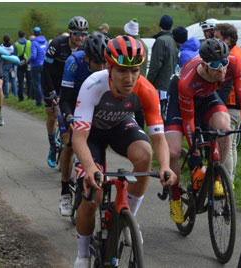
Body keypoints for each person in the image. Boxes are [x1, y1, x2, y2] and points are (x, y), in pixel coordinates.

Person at [72, 35, 177, 267]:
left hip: (119, 125)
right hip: (92, 135)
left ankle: (128, 217)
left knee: (145, 155)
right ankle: (82, 254)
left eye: (134, 70)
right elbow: (78, 137)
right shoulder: (92, 85)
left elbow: (159, 138)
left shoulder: (146, 90)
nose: (129, 78)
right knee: (93, 197)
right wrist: (90, 168)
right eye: (121, 70)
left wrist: (166, 166)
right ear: (109, 68)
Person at [164, 39, 241, 224]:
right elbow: (189, 120)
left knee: (224, 127)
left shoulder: (234, 64)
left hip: (206, 97)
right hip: (181, 100)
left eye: (224, 63)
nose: (222, 68)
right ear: (205, 66)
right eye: (215, 65)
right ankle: (174, 198)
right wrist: (195, 156)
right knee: (173, 151)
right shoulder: (188, 81)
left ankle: (217, 176)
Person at [58, 32, 109, 217]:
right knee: (70, 143)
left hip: (93, 108)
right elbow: (65, 99)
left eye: (105, 62)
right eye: (97, 63)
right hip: (72, 105)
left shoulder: (108, 66)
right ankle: (65, 190)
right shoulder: (74, 62)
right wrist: (70, 118)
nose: (102, 68)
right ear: (87, 58)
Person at [42, 16, 88, 168]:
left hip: (70, 85)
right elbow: (46, 70)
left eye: (83, 34)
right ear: (70, 33)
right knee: (53, 114)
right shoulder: (57, 44)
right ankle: (52, 146)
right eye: (76, 34)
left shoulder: (84, 48)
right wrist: (52, 91)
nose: (80, 38)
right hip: (53, 81)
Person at [213, 23, 241, 185]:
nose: (214, 41)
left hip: (228, 105)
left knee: (225, 148)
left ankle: (224, 183)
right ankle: (230, 182)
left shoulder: (231, 57)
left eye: (217, 38)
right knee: (232, 146)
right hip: (237, 106)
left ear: (227, 40)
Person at [147, 14, 178, 118]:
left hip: (160, 86)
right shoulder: (172, 41)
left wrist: (148, 83)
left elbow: (155, 66)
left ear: (160, 26)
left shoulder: (161, 41)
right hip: (168, 84)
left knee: (158, 117)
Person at [124, 17, 148, 129]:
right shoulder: (144, 44)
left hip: (129, 80)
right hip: (141, 79)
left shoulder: (128, 45)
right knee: (139, 109)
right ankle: (140, 130)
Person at [28, 26, 48, 106]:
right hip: (44, 64)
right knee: (43, 84)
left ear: (34, 34)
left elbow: (33, 56)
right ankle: (45, 101)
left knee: (37, 84)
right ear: (40, 32)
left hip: (36, 65)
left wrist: (28, 61)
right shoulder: (45, 42)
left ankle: (39, 102)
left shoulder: (34, 43)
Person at [14, 30, 32, 102]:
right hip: (28, 63)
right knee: (29, 81)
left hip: (20, 64)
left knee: (20, 82)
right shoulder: (29, 42)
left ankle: (21, 98)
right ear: (24, 35)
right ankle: (29, 96)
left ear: (18, 35)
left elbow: (14, 56)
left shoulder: (16, 44)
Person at [1, 34, 18, 98]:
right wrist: (13, 67)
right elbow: (15, 57)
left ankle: (6, 95)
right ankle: (15, 94)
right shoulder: (13, 47)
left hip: (4, 66)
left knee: (6, 81)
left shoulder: (1, 47)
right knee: (13, 80)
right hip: (12, 65)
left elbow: (1, 57)